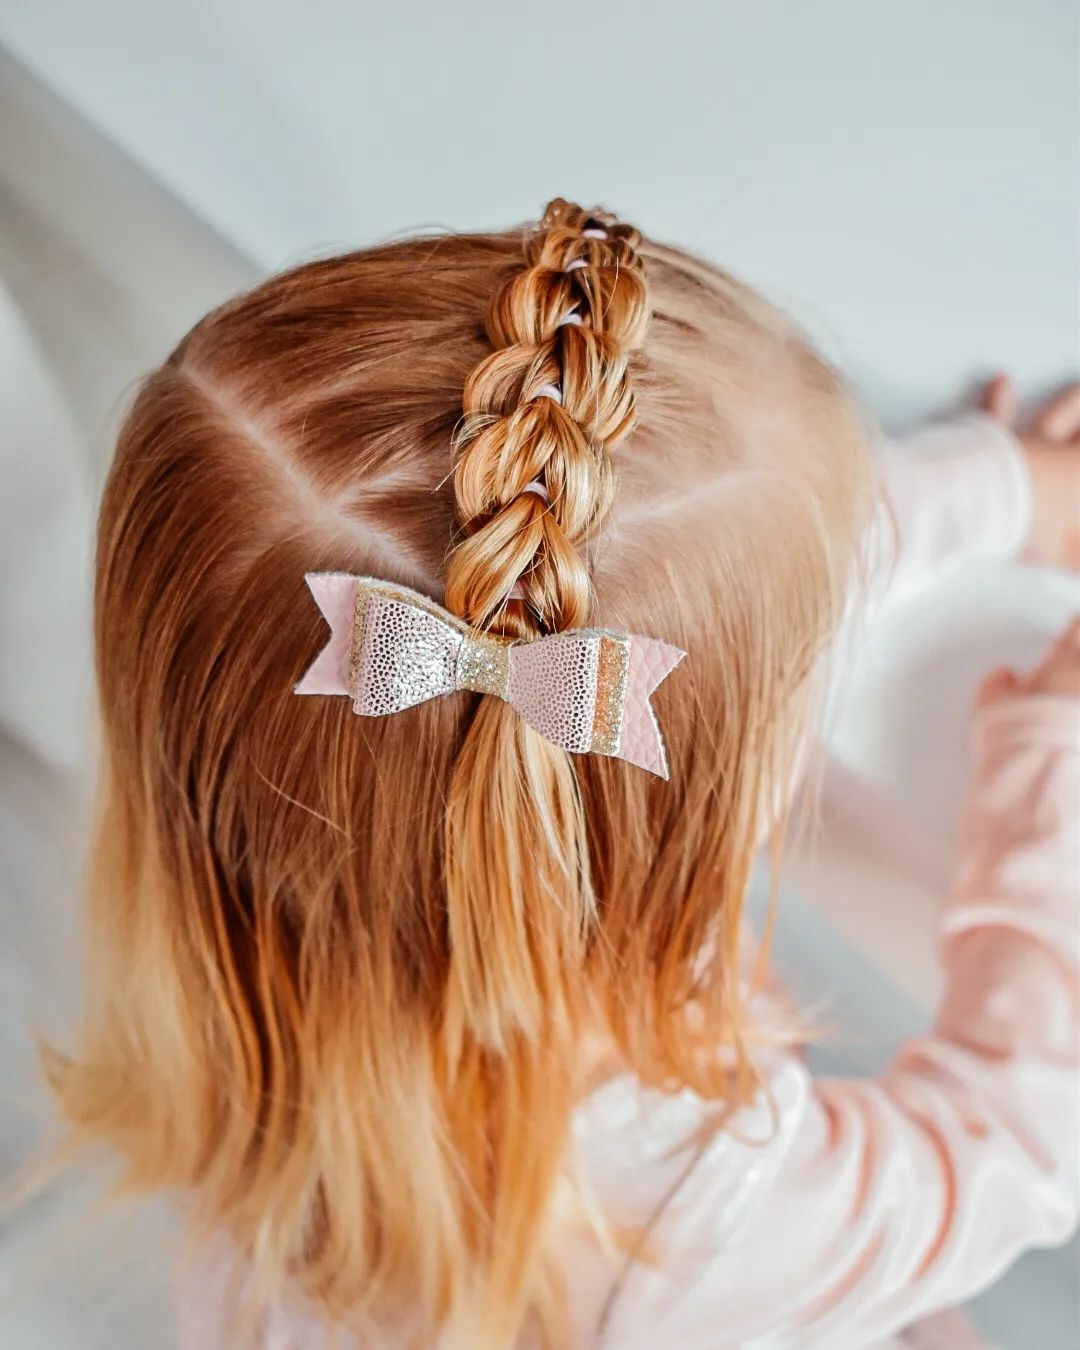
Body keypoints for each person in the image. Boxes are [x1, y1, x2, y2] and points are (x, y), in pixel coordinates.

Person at [45, 199, 1078, 1348]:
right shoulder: (704, 1226)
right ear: (719, 785)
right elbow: (1017, 1139)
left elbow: (709, 560)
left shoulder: (250, 1004)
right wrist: (1051, 751)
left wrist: (1003, 488)